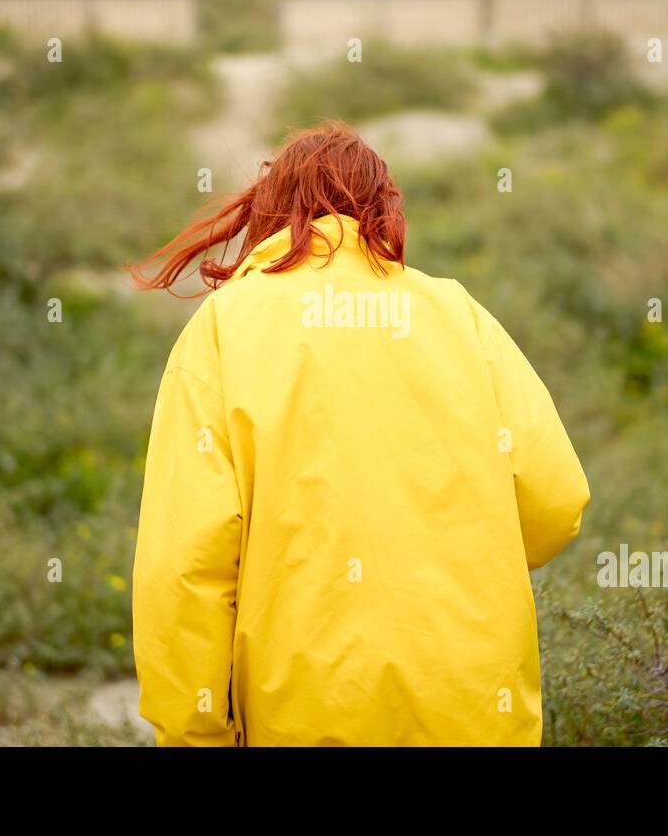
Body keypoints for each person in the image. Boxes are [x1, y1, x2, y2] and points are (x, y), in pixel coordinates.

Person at [130, 120, 590, 746]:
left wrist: (194, 734)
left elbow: (186, 564)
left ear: (271, 210)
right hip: (474, 709)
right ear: (383, 207)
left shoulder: (225, 330)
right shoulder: (461, 315)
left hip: (306, 714)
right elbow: (555, 504)